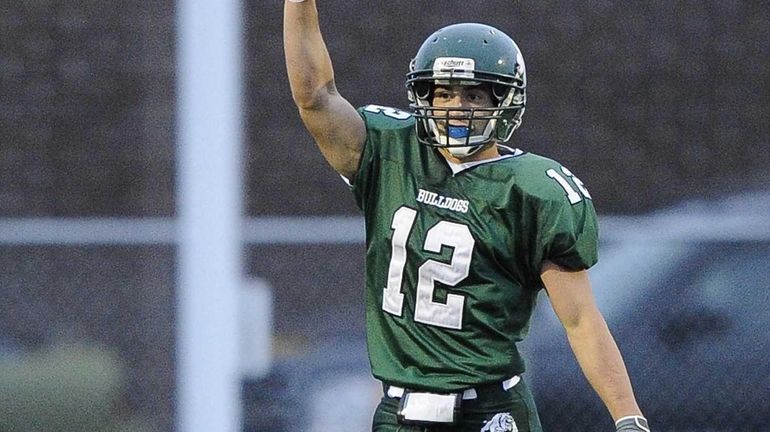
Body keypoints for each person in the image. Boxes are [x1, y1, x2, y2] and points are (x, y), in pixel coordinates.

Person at [283, 1, 649, 431]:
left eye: (474, 94)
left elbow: (581, 319)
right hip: (398, 411)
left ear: (504, 102)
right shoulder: (391, 154)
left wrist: (628, 416)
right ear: (423, 97)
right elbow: (315, 95)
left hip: (489, 411)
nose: (456, 106)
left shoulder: (534, 190)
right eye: (443, 92)